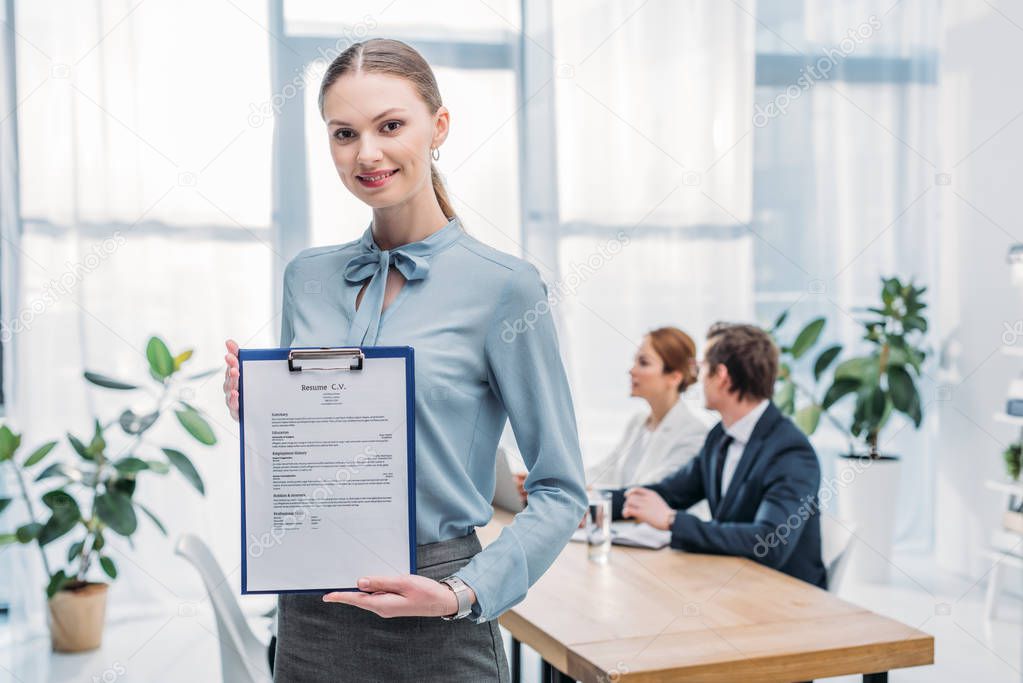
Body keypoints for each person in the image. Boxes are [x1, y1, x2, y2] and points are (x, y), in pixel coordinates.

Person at [222, 38, 587, 681]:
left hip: (437, 614)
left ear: (438, 126)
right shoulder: (305, 277)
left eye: (391, 125)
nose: (367, 152)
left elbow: (560, 490)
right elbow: (306, 450)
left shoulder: (505, 288)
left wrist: (461, 595)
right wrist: (260, 412)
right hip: (309, 614)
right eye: (344, 133)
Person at [610, 322, 827, 588]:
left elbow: (770, 542)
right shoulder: (720, 436)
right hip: (733, 583)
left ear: (721, 376)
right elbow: (670, 492)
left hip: (786, 598)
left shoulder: (790, 451)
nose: (698, 380)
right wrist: (591, 506)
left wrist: (671, 520)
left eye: (702, 370)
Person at [513, 327, 708, 499]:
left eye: (644, 362)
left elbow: (652, 492)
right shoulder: (638, 423)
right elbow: (605, 472)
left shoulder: (694, 434)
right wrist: (548, 481)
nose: (632, 370)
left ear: (674, 377)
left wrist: (559, 489)